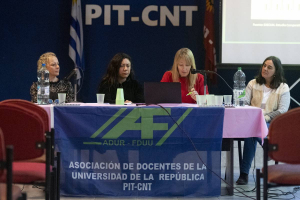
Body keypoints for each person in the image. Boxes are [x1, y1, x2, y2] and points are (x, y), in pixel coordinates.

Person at [236, 56, 290, 185]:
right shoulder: (252, 83)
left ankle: (244, 173)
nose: (265, 69)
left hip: (271, 123)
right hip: (252, 122)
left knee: (253, 131)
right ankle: (270, 150)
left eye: (269, 67)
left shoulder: (283, 87)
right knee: (253, 129)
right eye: (264, 65)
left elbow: (282, 110)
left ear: (276, 71)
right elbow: (243, 103)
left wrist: (265, 117)